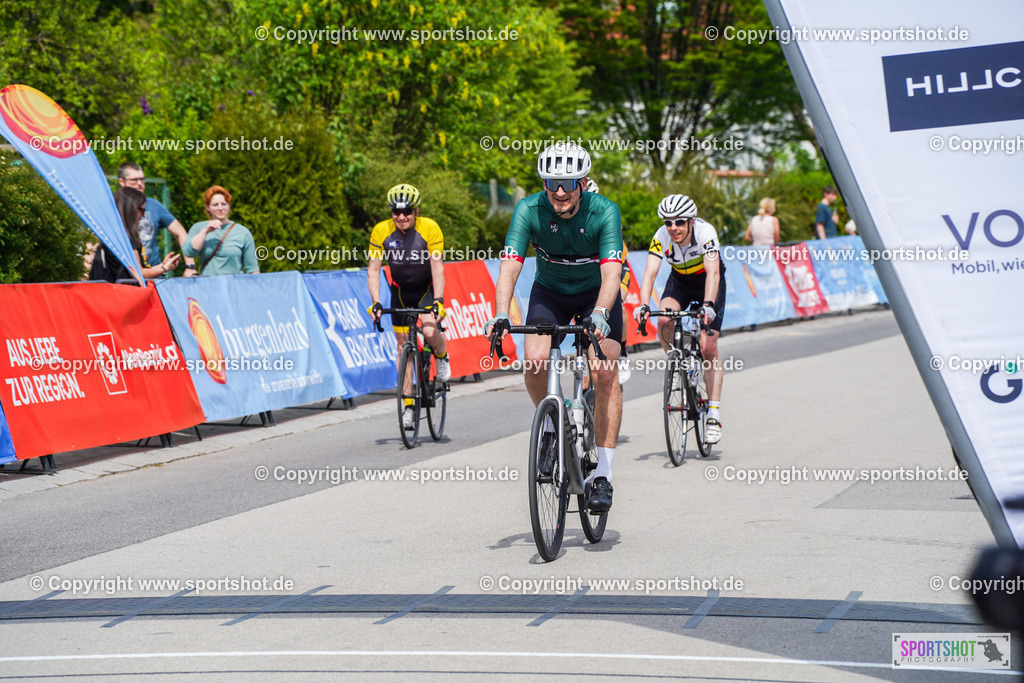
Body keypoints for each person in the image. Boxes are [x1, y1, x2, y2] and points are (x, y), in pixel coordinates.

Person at [486, 143, 623, 513]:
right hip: (550, 292)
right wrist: (501, 312)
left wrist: (600, 312)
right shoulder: (529, 209)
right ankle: (551, 428)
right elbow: (511, 265)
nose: (559, 192)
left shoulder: (604, 211)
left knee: (605, 370)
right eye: (551, 182)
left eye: (567, 183)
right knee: (534, 359)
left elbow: (612, 271)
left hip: (596, 294)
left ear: (582, 182)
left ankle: (604, 475)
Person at [634, 194, 725, 445]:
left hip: (708, 283)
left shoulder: (706, 233)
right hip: (680, 282)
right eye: (668, 222)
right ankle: (676, 363)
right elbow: (650, 274)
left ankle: (714, 416)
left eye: (679, 222)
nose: (673, 228)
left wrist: (708, 305)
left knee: (708, 348)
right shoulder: (661, 236)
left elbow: (713, 273)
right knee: (664, 319)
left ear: (691, 221)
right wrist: (643, 304)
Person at [367, 184, 450, 429]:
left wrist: (438, 301)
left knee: (429, 331)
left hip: (426, 290)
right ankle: (408, 406)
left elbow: (437, 267)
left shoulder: (429, 227)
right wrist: (376, 303)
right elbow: (373, 270)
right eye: (396, 211)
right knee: (402, 345)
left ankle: (442, 356)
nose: (401, 216)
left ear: (416, 211)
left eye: (407, 211)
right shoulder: (381, 231)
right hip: (400, 291)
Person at [116, 162, 197, 276]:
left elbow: (180, 232)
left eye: (142, 179)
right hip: (124, 278)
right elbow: (95, 240)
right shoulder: (114, 207)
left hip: (154, 276)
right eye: (134, 180)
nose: (140, 183)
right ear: (121, 182)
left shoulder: (154, 205)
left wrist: (190, 266)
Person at [587, 179, 631, 385]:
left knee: (617, 304)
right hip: (592, 275)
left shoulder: (606, 217)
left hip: (616, 270)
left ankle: (622, 353)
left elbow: (613, 268)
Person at [90, 186, 181, 282]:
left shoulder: (110, 232)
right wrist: (164, 269)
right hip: (124, 294)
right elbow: (137, 274)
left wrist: (163, 266)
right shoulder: (126, 237)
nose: (144, 215)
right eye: (142, 210)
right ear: (130, 209)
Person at [182, 186, 260, 276]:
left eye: (224, 204)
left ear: (229, 206)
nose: (220, 208)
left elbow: (252, 269)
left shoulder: (242, 232)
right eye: (215, 205)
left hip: (234, 287)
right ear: (208, 207)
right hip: (208, 286)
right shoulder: (198, 228)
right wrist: (205, 231)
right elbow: (189, 252)